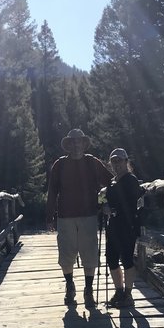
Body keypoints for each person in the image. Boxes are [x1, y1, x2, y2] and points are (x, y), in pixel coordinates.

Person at [46, 128, 113, 307]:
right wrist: (49, 216)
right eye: (73, 142)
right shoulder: (59, 165)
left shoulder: (93, 162)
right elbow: (52, 191)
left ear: (84, 144)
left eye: (79, 142)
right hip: (65, 215)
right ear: (68, 145)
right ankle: (70, 286)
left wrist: (105, 202)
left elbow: (110, 183)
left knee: (89, 253)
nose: (76, 145)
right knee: (66, 254)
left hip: (89, 214)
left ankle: (88, 290)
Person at [104, 148, 145, 308]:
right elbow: (108, 199)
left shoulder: (131, 180)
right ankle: (119, 292)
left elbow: (131, 203)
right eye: (113, 161)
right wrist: (106, 206)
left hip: (127, 225)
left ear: (126, 162)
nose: (116, 164)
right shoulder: (113, 181)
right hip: (113, 225)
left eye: (119, 161)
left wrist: (113, 208)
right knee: (111, 258)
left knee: (126, 259)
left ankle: (128, 295)